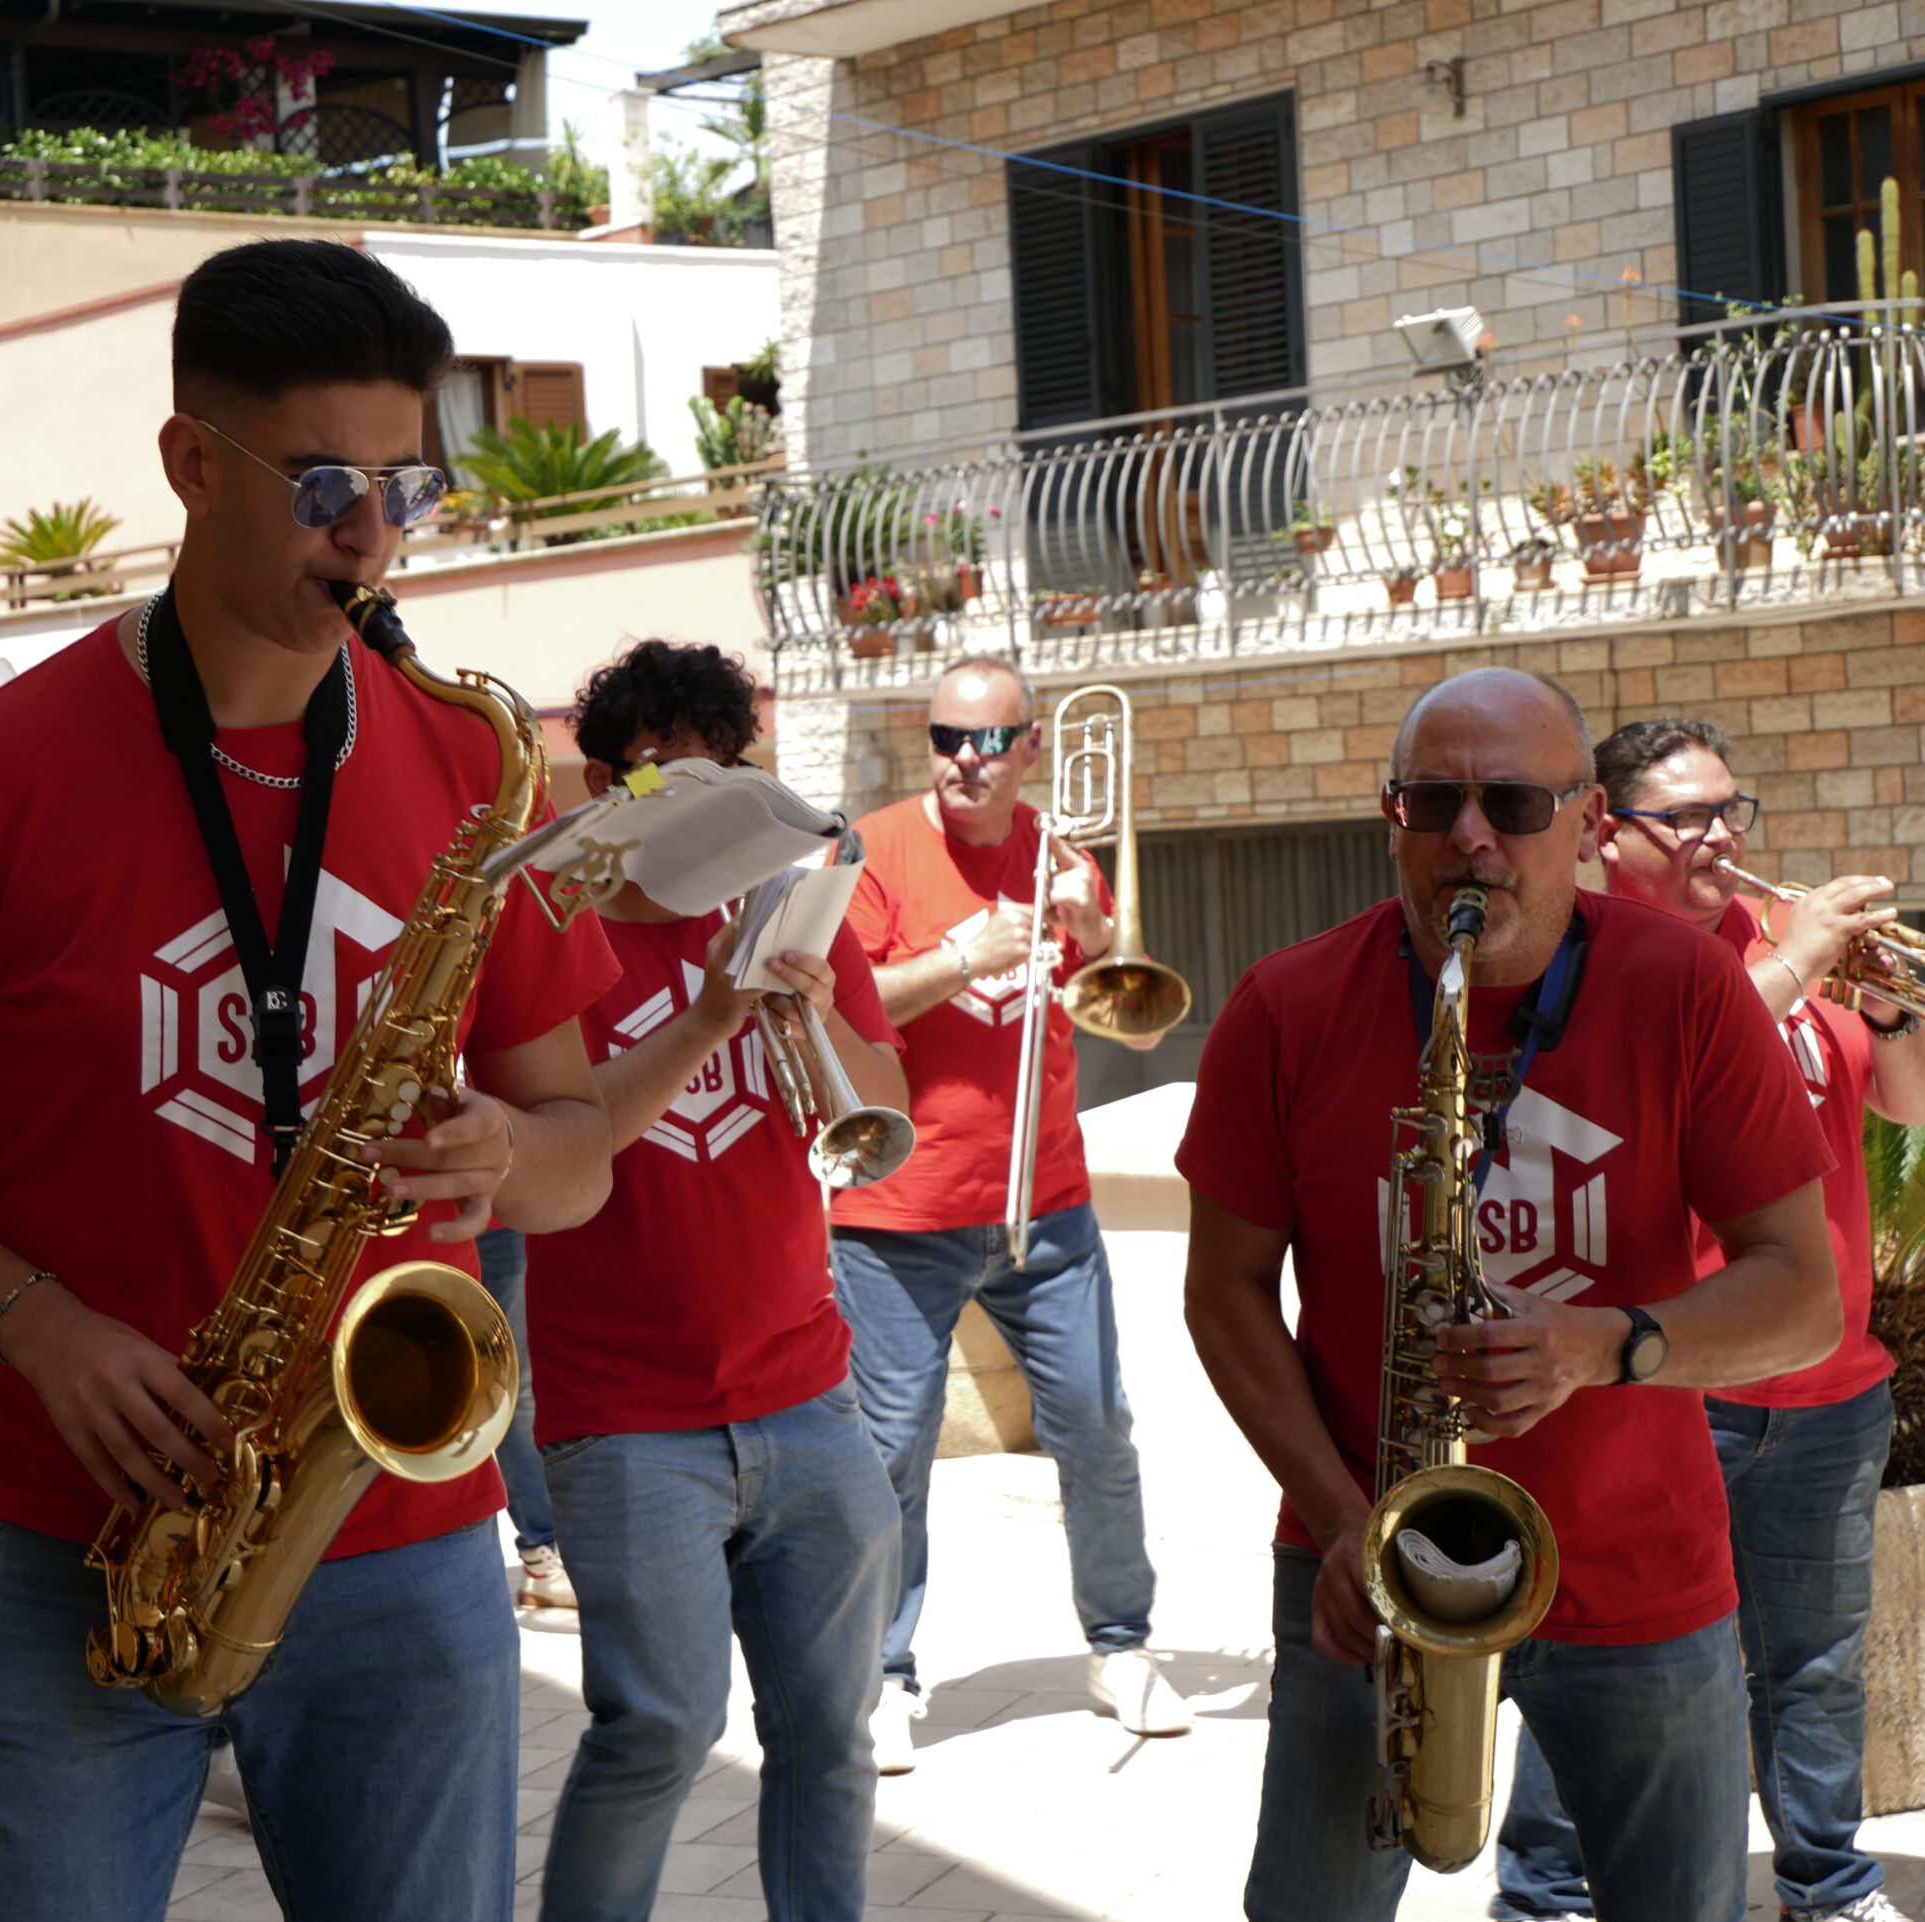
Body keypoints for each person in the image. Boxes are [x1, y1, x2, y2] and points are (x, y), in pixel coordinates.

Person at [0, 238, 620, 1922]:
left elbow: (580, 1146)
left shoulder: (464, 757)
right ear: (189, 463)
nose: (370, 540)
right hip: (50, 1529)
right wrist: (38, 1323)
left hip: (395, 1528)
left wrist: (518, 1147)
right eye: (321, 487)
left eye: (405, 486)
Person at [1179, 667, 1842, 1922]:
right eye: (1432, 802)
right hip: (1362, 1550)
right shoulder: (1284, 1006)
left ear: (1588, 822)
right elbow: (1221, 1294)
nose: (1469, 835)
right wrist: (1342, 1527)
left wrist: (1610, 1345)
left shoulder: (1686, 988)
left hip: (1637, 1567)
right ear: (1392, 818)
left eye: (1513, 803)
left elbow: (1805, 1296)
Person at [1490, 717, 1925, 1922]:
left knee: (1817, 1663)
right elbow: (1660, 1076)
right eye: (1682, 815)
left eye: (1730, 809)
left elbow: (1901, 1107)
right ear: (1604, 834)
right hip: (1678, 1378)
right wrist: (1795, 960)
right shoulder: (1598, 966)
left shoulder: (1777, 946)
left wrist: (1888, 1013)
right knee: (1602, 1653)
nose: (1718, 835)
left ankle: (1826, 1884)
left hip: (1833, 1383)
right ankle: (1544, 1890)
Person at [523, 641, 905, 1919]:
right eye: (662, 775)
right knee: (658, 1731)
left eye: (723, 772)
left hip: (808, 1396)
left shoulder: (789, 915)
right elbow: (560, 1149)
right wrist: (702, 1017)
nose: (699, 799)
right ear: (603, 784)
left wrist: (811, 1006)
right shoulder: (549, 940)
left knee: (833, 1738)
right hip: (628, 1416)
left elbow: (887, 1110)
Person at [831, 653, 1190, 1766]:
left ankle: (1120, 1642)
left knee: (1097, 1425)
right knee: (888, 1447)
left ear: (1032, 745)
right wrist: (957, 953)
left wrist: (1087, 930)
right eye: (946, 737)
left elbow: (1136, 1026)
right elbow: (849, 1002)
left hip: (1049, 1208)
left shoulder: (1063, 858)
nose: (966, 762)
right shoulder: (876, 849)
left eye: (990, 741)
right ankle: (880, 1673)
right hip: (896, 1213)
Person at [473, 1224, 578, 1610]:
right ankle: (541, 1556)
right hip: (488, 1223)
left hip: (496, 1220)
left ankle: (542, 1554)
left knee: (514, 1389)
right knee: (515, 1390)